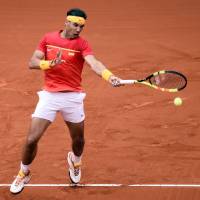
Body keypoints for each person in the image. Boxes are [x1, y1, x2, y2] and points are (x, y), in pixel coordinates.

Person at [10, 8, 122, 194]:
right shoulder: (48, 38)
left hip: (73, 97)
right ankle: (24, 173)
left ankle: (75, 161)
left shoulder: (82, 44)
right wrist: (48, 64)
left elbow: (94, 63)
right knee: (31, 140)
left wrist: (109, 76)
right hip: (49, 96)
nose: (79, 29)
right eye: (76, 25)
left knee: (79, 140)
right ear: (67, 22)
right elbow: (32, 62)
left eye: (82, 26)